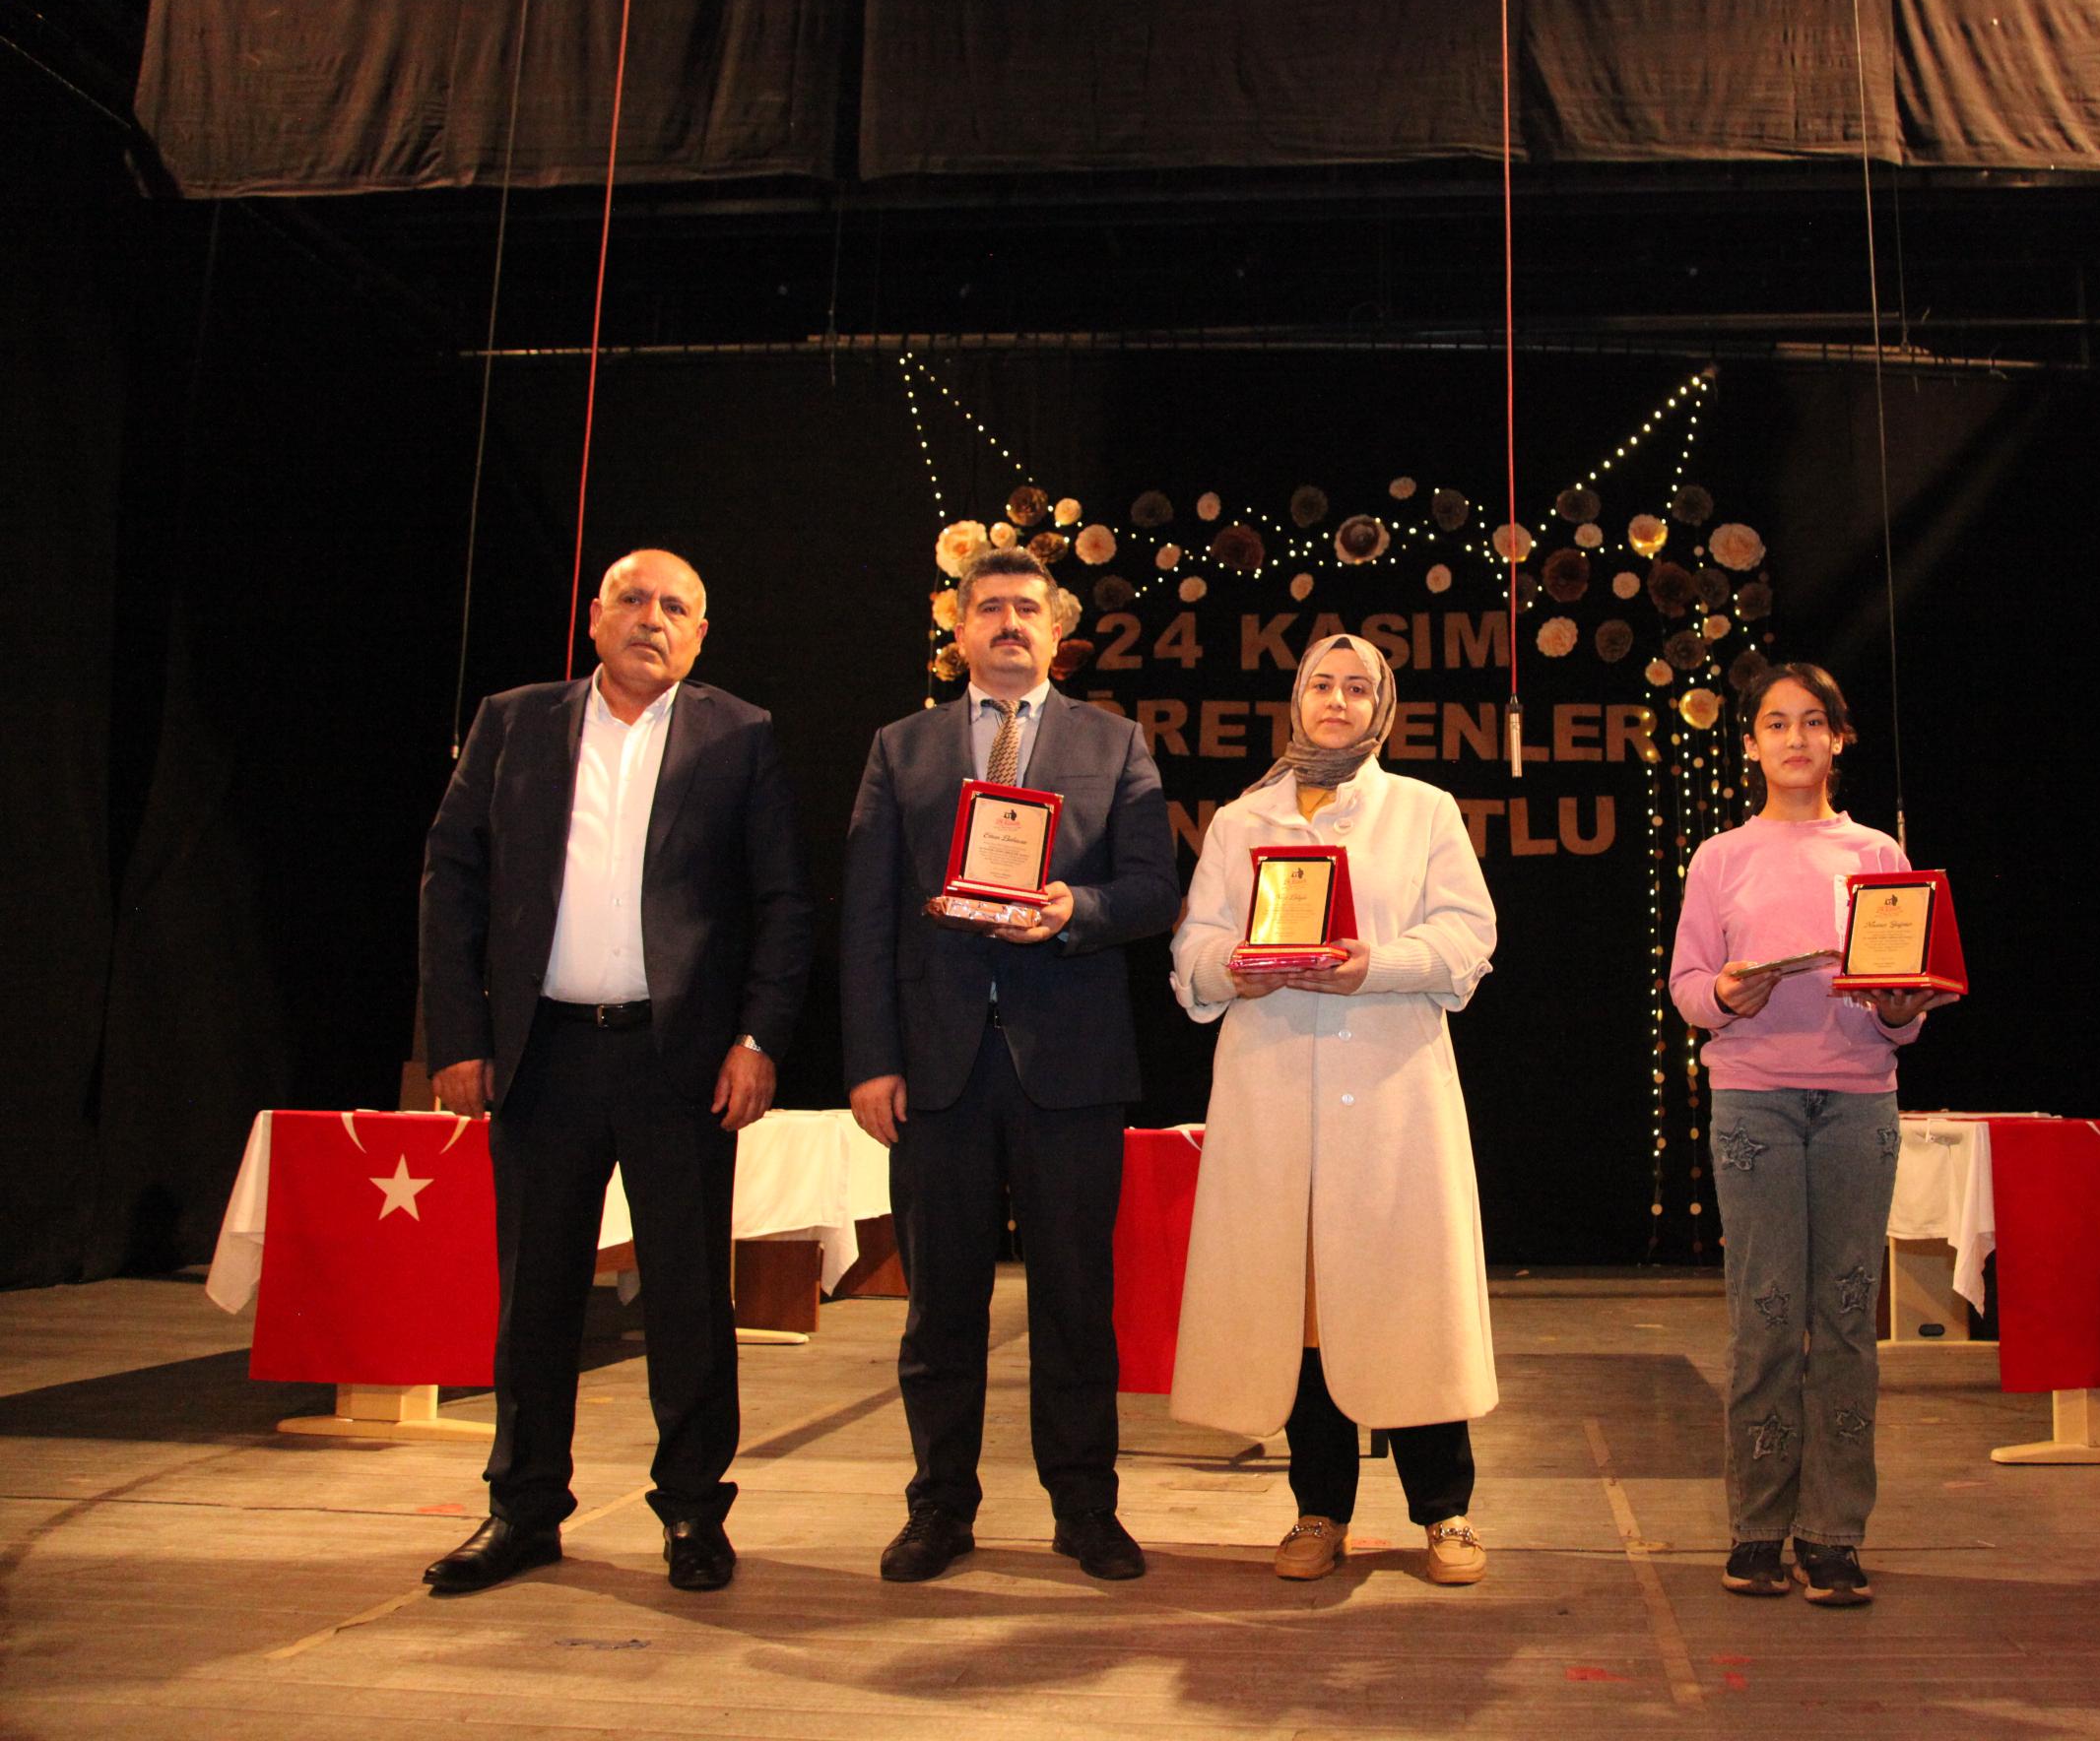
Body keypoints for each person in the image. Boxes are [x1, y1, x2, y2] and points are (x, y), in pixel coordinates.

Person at [418, 548, 814, 1594]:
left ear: (700, 635)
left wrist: (758, 1039)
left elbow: (782, 902)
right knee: (535, 1298)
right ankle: (523, 1510)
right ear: (594, 617)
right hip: (540, 1056)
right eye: (632, 599)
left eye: (675, 606)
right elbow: (451, 880)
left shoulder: (742, 735)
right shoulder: (513, 722)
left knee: (689, 1301)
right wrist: (457, 1036)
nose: (651, 618)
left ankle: (692, 1511)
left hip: (678, 1062)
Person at [841, 545, 1178, 1584]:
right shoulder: (900, 748)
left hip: (1070, 1067)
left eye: (1027, 607)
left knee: (1075, 1301)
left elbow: (1155, 889)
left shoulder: (1115, 743)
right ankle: (939, 1509)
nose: (1008, 623)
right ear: (960, 631)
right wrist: (871, 1061)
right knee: (941, 1307)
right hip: (935, 1068)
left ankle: (1085, 1508)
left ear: (1057, 629)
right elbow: (866, 917)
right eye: (988, 607)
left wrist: (1077, 910)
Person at [1166, 632, 1500, 1586]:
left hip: (1392, 1096)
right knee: (1302, 1312)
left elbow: (1469, 935)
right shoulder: (1243, 819)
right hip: (1274, 1093)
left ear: (1382, 709)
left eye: (1359, 688)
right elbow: (1193, 946)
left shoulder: (1423, 811)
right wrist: (1232, 968)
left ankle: (1445, 1511)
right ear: (1297, 699)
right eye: (1323, 683)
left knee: (1409, 1297)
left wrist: (1375, 965)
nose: (1338, 701)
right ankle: (1319, 1510)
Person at [1667, 663, 1933, 1606]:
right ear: (1750, 744)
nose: (1795, 738)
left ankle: (1833, 1534)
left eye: (1813, 721)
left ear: (1838, 738)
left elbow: (1903, 993)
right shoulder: (1720, 856)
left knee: (1848, 1320)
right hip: (1755, 1103)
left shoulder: (1878, 852)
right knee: (1766, 1318)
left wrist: (1900, 1008)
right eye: (1776, 723)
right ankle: (1757, 1529)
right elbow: (1688, 986)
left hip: (1858, 1102)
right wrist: (1726, 993)